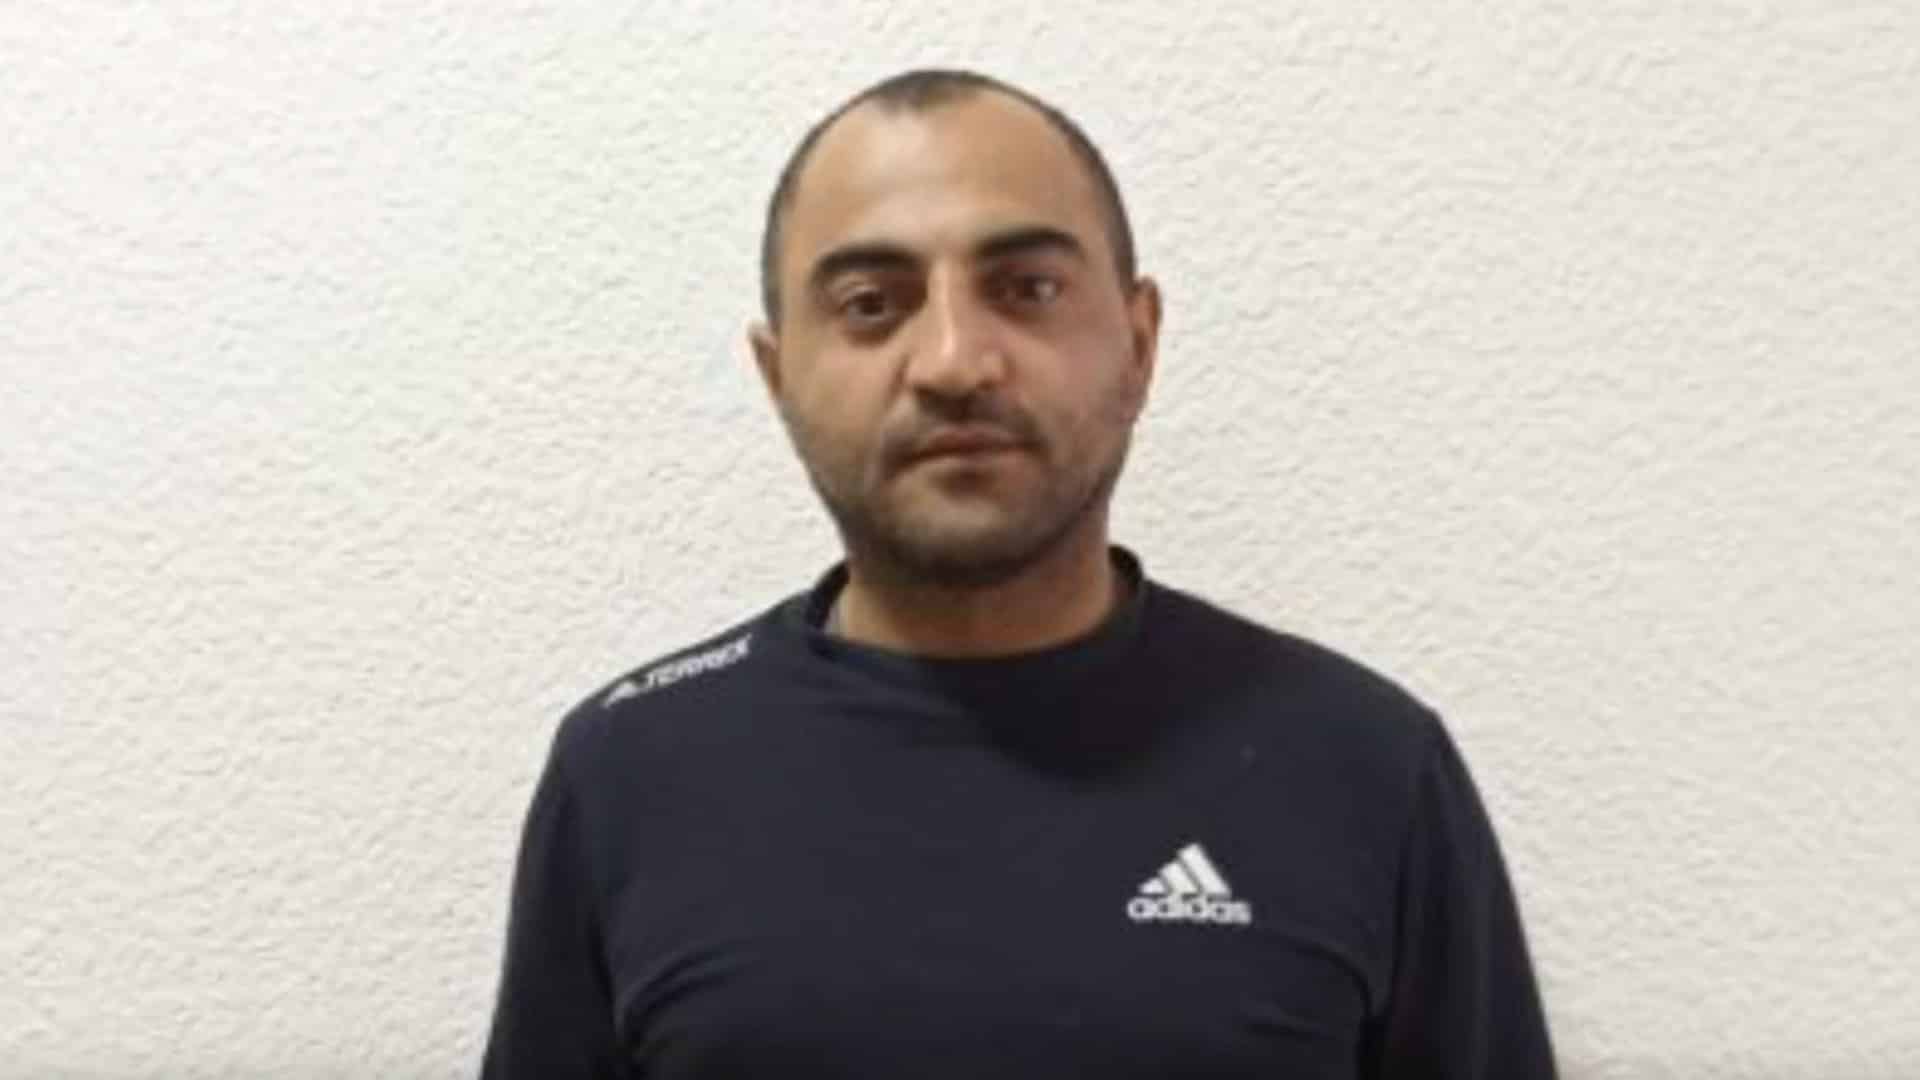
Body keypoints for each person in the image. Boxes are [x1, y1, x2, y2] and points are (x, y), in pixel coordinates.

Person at [479, 67, 1556, 1079]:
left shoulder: (1365, 765)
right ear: (778, 375)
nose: (954, 361)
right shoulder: (629, 772)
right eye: (871, 304)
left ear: (1138, 342)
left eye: (1028, 288)